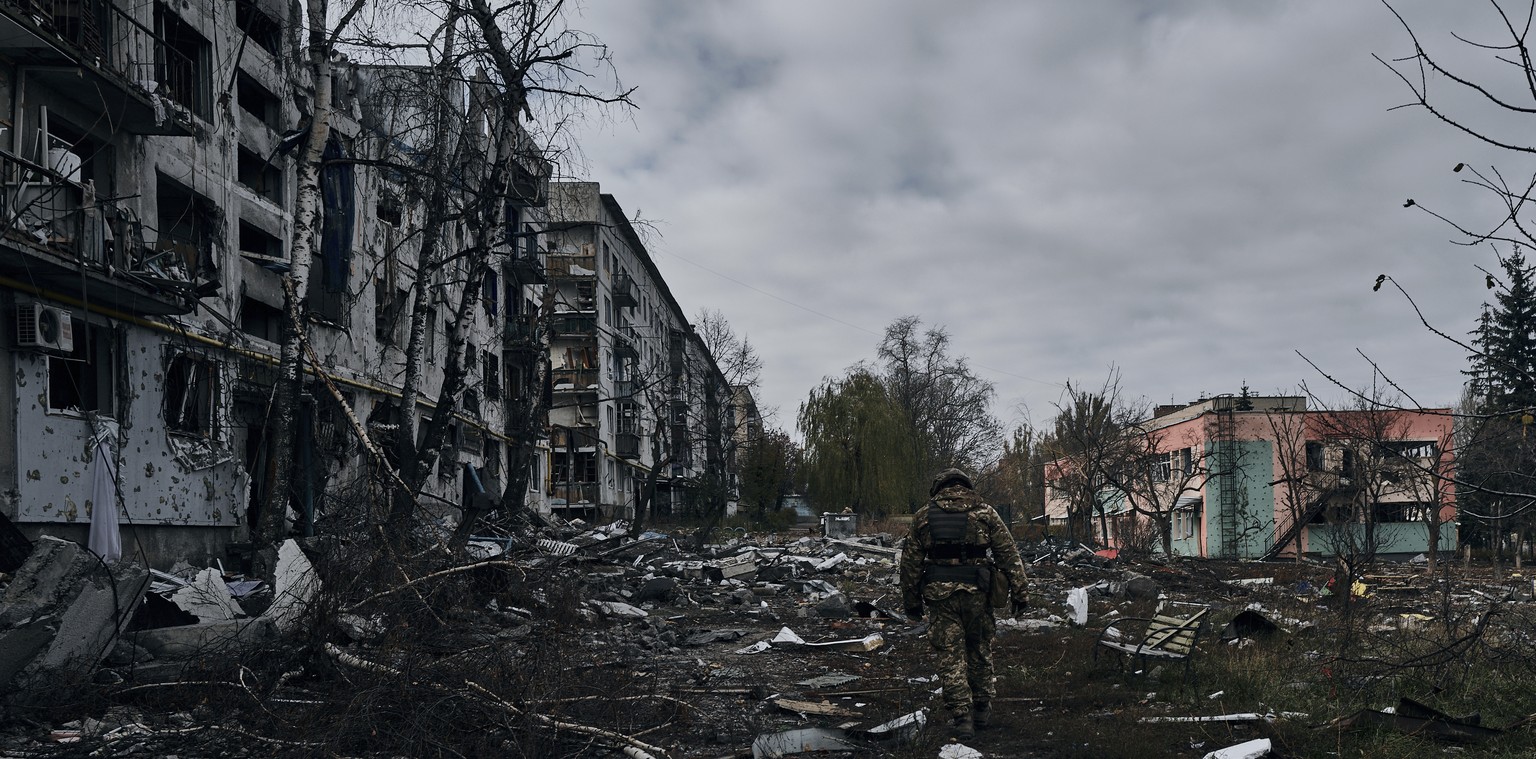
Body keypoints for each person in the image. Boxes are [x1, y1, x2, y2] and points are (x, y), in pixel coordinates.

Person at [899, 468, 1029, 737]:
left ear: (940, 488)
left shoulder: (924, 515)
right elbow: (1008, 553)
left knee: (951, 655)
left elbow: (910, 563)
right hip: (977, 594)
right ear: (966, 487)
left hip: (940, 596)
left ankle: (962, 718)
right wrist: (1020, 592)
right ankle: (981, 709)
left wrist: (911, 602)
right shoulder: (985, 512)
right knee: (979, 649)